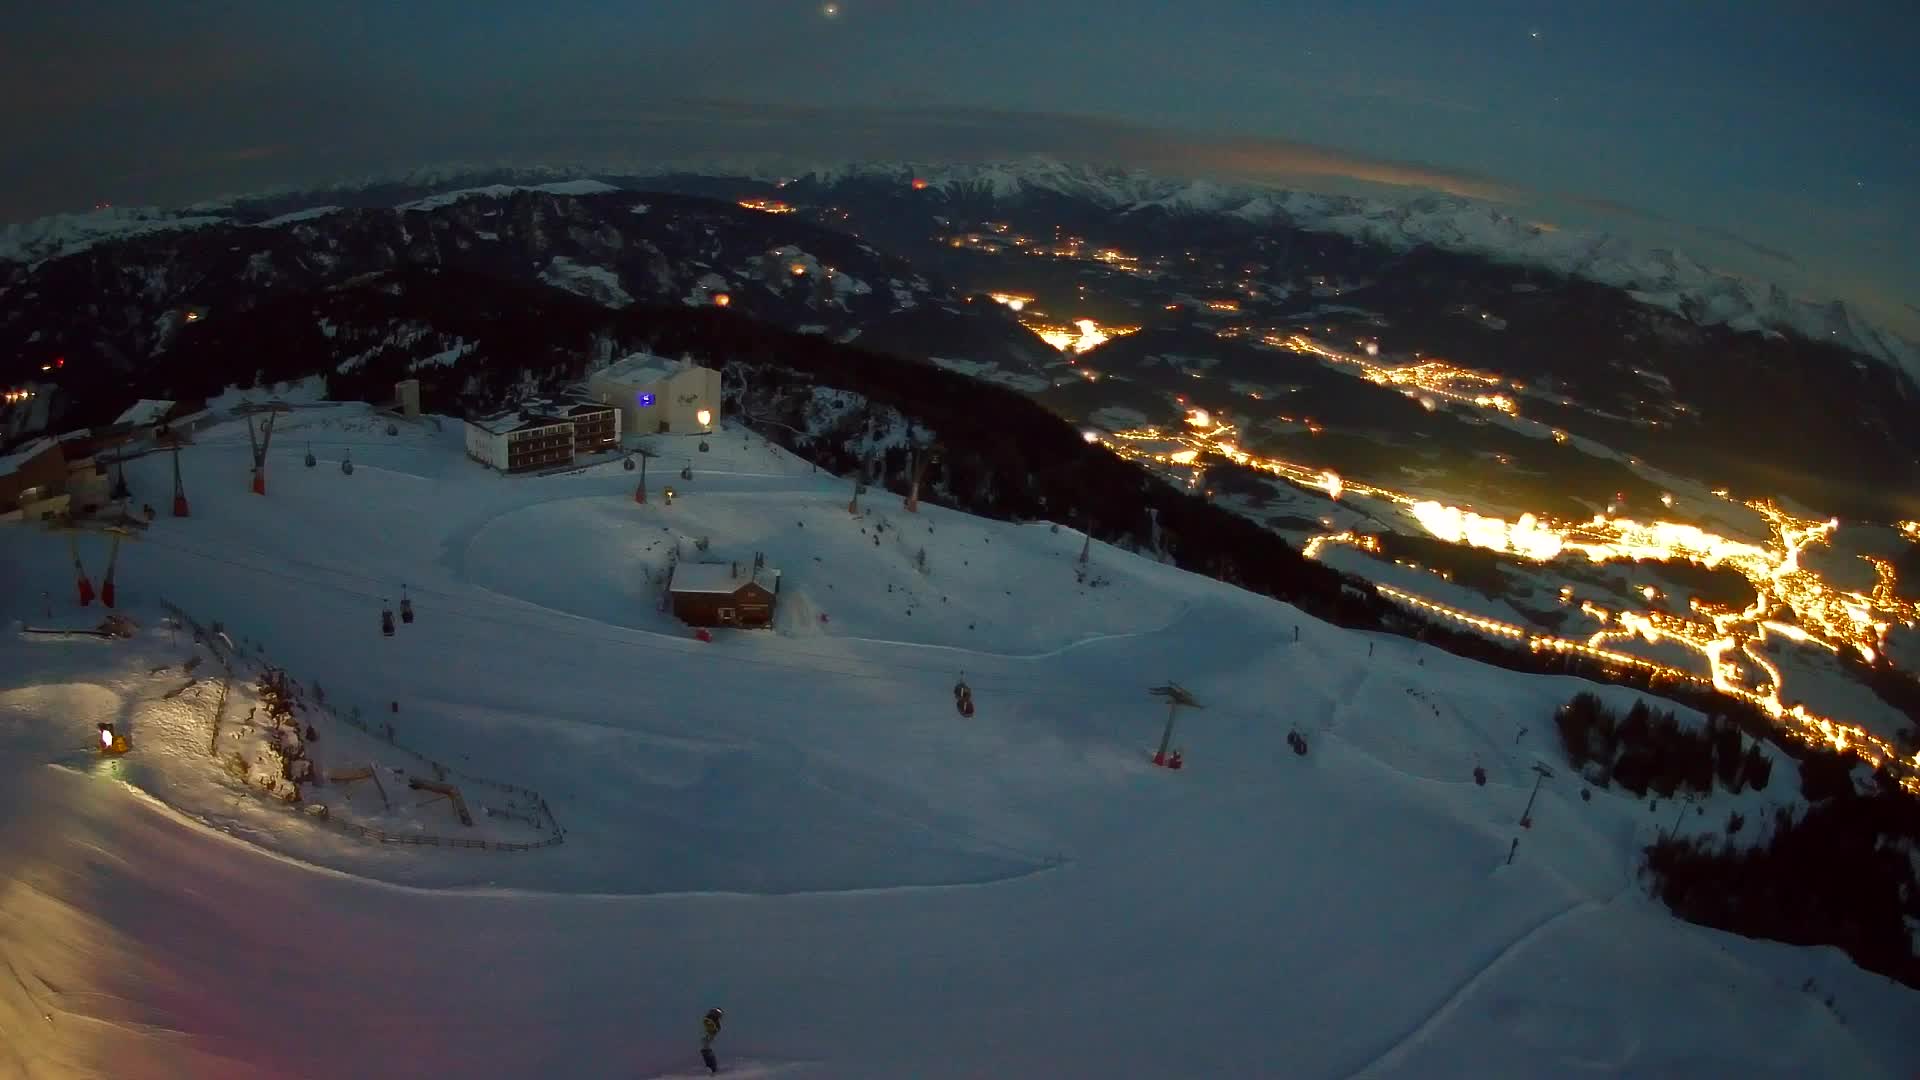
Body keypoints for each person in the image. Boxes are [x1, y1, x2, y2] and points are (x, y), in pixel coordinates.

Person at [701, 1007, 724, 1074]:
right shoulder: (709, 1021)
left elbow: (715, 1030)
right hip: (706, 1047)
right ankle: (712, 1068)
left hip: (707, 1046)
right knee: (706, 1049)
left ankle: (712, 1069)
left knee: (707, 1049)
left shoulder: (715, 1024)